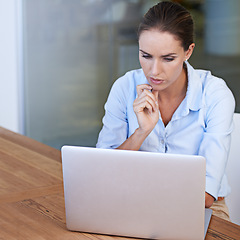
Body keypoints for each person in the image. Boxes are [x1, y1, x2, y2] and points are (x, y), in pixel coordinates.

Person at [96, 1, 235, 221]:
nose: (154, 71)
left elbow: (207, 194)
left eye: (168, 59)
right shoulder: (124, 87)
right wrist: (141, 133)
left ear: (188, 51)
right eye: (146, 56)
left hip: (201, 207)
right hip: (133, 201)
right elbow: (102, 172)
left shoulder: (215, 95)